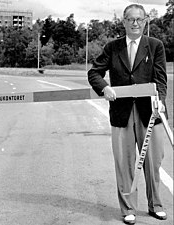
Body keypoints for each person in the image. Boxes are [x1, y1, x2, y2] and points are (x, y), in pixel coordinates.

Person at [88, 4, 167, 225]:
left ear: (145, 21)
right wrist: (104, 87)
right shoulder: (112, 47)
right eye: (130, 19)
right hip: (122, 113)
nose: (135, 23)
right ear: (123, 22)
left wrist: (160, 100)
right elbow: (94, 72)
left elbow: (161, 78)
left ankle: (156, 205)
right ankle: (128, 209)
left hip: (150, 112)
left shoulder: (155, 46)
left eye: (139, 19)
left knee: (153, 162)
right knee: (124, 163)